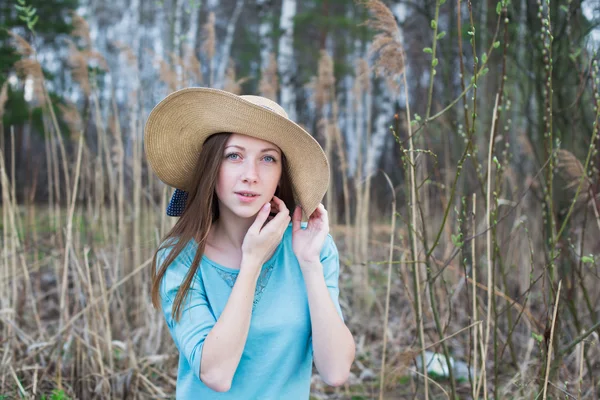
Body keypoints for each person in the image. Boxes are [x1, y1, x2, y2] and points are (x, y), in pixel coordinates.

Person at [144, 87, 355, 399]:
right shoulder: (180, 257)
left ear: (282, 173)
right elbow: (216, 374)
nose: (251, 175)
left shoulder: (313, 248)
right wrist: (252, 261)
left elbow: (335, 371)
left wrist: (309, 264)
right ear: (211, 167)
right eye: (234, 156)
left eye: (268, 158)